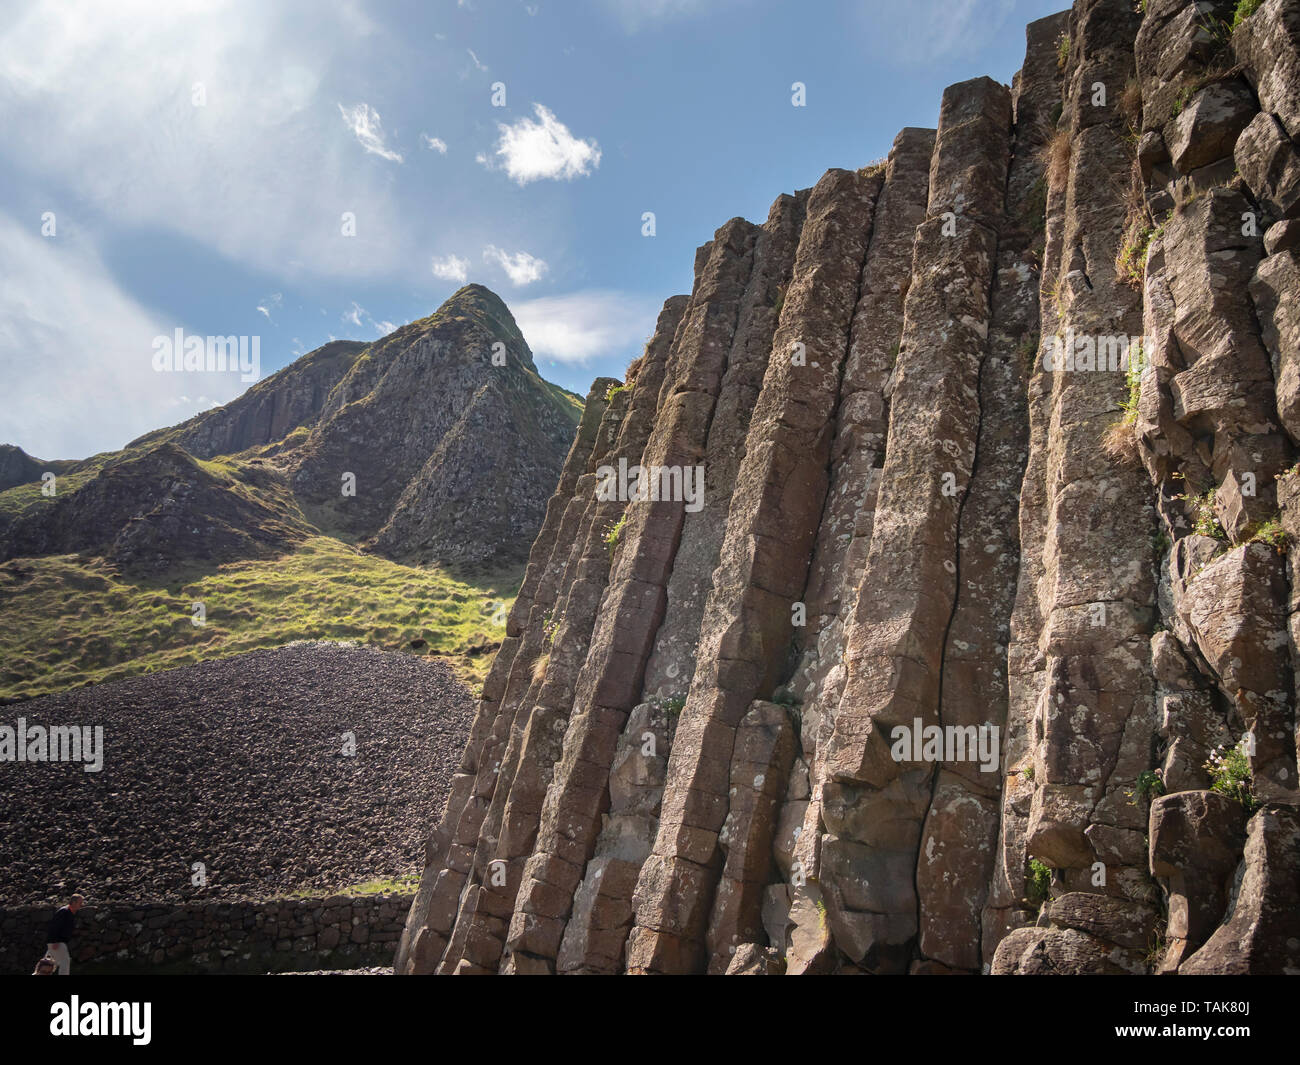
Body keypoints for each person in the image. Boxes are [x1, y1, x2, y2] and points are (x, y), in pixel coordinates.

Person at [45, 894, 84, 975]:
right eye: (80, 903)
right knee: (65, 961)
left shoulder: (70, 912)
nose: (81, 905)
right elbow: (55, 926)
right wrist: (55, 941)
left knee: (47, 964)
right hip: (57, 942)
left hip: (57, 942)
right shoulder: (64, 911)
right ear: (73, 902)